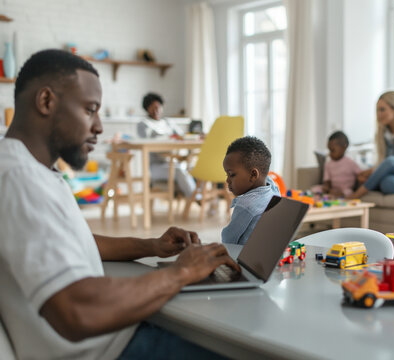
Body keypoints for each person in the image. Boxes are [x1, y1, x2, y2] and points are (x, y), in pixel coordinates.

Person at [0, 49, 239, 360]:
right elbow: (76, 312)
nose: (99, 126)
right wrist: (181, 272)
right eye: (90, 110)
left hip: (119, 335)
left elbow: (78, 241)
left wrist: (152, 245)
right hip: (109, 350)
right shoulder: (19, 179)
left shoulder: (35, 169)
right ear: (46, 101)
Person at [221, 136, 281, 245]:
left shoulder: (247, 205)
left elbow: (229, 238)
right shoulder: (273, 188)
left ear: (253, 175)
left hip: (241, 254)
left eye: (231, 175)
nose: (227, 180)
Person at [137, 92, 196, 198]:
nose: (156, 110)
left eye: (158, 107)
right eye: (152, 108)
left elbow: (182, 137)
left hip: (172, 162)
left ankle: (198, 197)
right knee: (180, 171)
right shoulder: (144, 124)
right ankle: (196, 198)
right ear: (147, 109)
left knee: (191, 168)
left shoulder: (168, 122)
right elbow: (149, 144)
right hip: (155, 167)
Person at [321, 131, 363, 197]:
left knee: (348, 192)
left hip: (346, 190)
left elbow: (361, 175)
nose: (330, 153)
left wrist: (357, 187)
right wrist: (327, 188)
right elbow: (327, 180)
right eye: (329, 150)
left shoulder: (351, 163)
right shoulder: (328, 164)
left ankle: (337, 196)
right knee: (316, 188)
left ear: (344, 147)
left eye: (333, 150)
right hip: (333, 189)